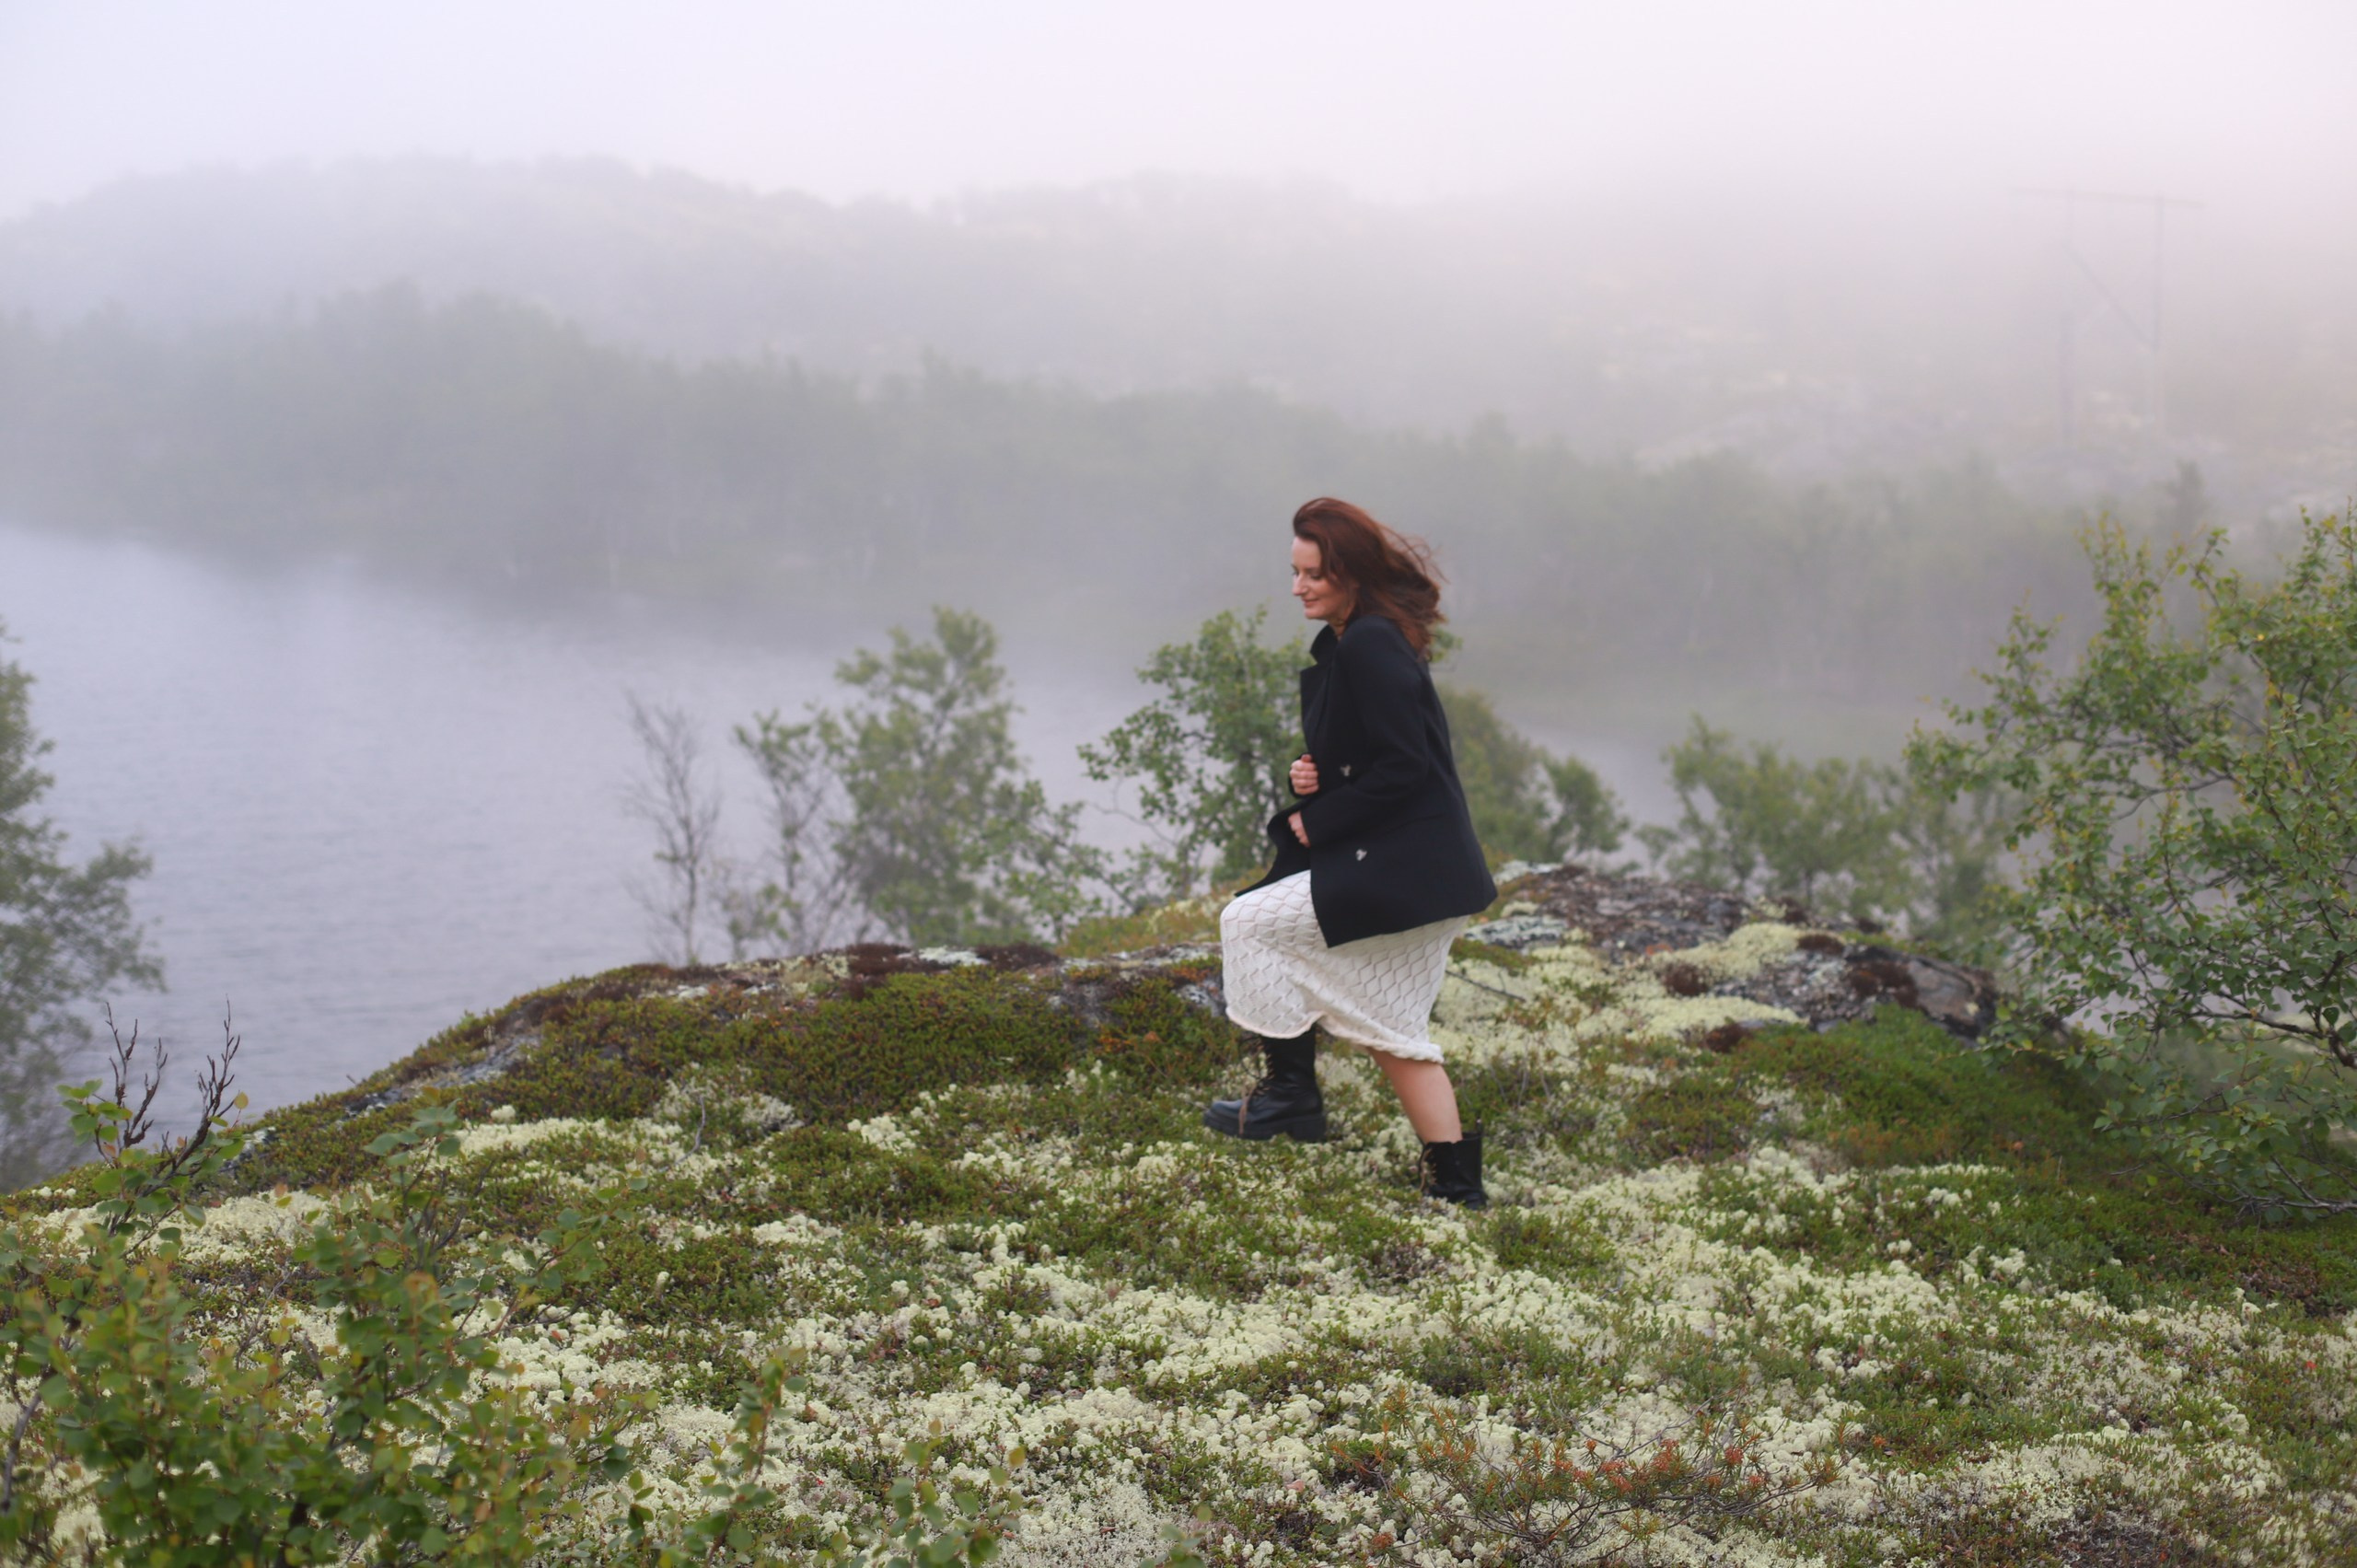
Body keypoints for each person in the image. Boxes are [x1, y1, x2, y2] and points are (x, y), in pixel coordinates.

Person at [1205, 498, 1497, 1206]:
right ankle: (1455, 1185)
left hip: (1409, 872)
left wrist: (1319, 820)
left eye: (1312, 575)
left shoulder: (1369, 641)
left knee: (1245, 921)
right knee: (1393, 1031)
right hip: (1423, 873)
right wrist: (1310, 777)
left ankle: (1290, 1093)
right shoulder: (1356, 639)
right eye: (1296, 572)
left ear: (1352, 576)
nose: (1298, 587)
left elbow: (1408, 769)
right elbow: (1373, 756)